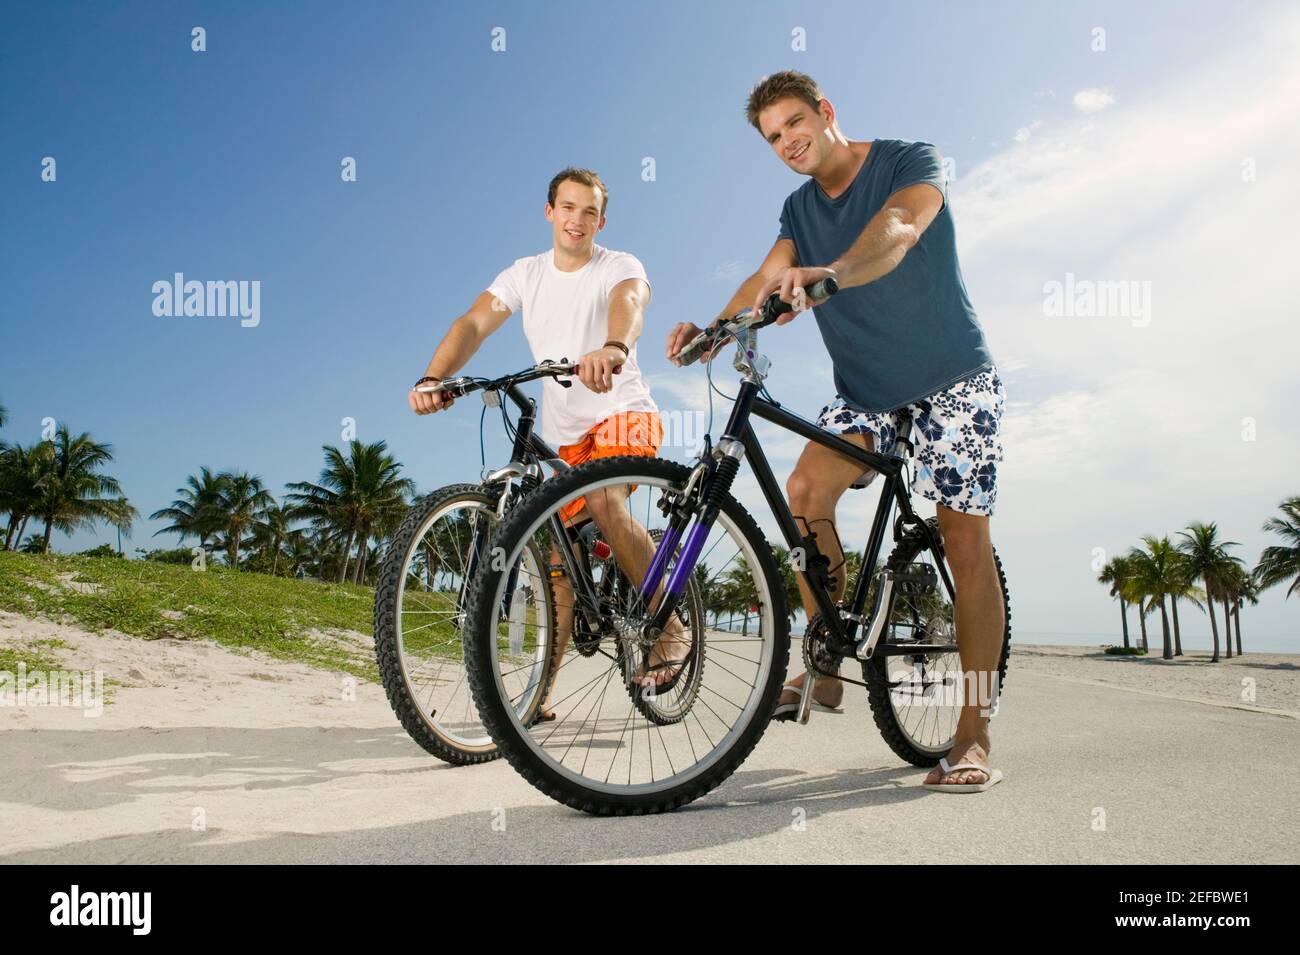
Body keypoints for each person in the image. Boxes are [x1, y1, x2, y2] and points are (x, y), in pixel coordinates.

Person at [666, 72, 1006, 792]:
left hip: (954, 377)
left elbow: (902, 228)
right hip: (867, 395)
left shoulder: (907, 160)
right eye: (773, 136)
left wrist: (837, 272)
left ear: (826, 112)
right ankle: (825, 659)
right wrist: (714, 332)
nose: (789, 141)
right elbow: (767, 277)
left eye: (795, 123)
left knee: (963, 539)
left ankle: (973, 733)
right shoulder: (797, 208)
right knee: (803, 490)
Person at [410, 167, 690, 717]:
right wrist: (434, 377)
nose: (577, 220)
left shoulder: (620, 265)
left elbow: (629, 304)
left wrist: (613, 347)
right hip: (564, 442)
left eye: (589, 211)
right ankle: (539, 697)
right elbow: (473, 323)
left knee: (608, 503)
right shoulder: (525, 274)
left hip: (623, 413)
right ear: (549, 212)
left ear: (601, 220)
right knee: (559, 566)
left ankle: (670, 626)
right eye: (567, 207)